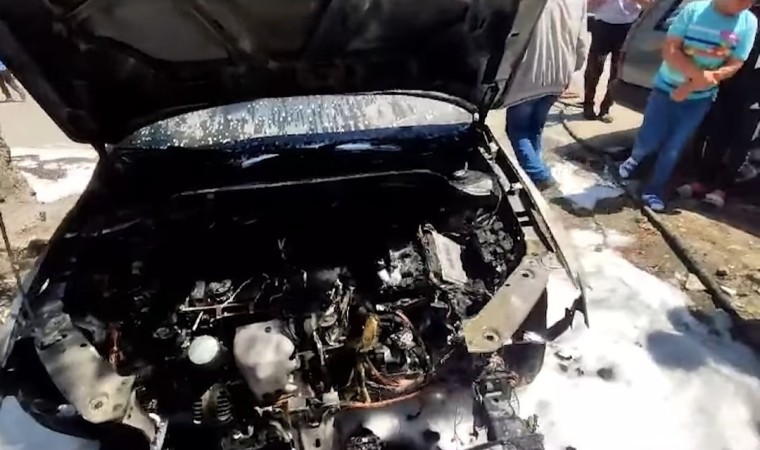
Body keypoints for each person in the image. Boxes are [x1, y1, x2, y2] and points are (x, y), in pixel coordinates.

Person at [618, 0, 758, 212]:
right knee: (650, 139)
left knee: (674, 147)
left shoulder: (748, 22)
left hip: (701, 97)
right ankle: (637, 157)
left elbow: (735, 62)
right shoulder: (694, 10)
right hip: (666, 89)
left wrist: (698, 83)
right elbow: (671, 49)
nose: (746, 4)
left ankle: (654, 191)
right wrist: (697, 76)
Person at [677, 4, 760, 208]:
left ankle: (723, 189)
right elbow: (726, 43)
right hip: (728, 85)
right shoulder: (747, 14)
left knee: (743, 143)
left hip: (755, 96)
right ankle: (703, 182)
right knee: (715, 135)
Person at [500, 0, 589, 190]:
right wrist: (571, 70)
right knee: (535, 127)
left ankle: (539, 176)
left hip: (527, 77)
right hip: (559, 76)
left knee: (518, 130)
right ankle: (536, 165)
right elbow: (581, 43)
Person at [584, 0, 650, 123]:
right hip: (602, 25)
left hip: (627, 27)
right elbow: (589, 4)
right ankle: (588, 104)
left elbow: (651, 5)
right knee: (594, 67)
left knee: (616, 71)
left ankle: (605, 108)